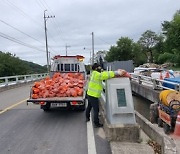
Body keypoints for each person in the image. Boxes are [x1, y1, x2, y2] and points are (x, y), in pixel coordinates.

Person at [85, 63, 126, 127]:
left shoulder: (93, 73)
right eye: (99, 67)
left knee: (89, 107)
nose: (100, 68)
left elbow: (104, 73)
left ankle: (87, 117)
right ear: (96, 68)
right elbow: (105, 75)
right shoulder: (97, 74)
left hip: (89, 93)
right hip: (93, 95)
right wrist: (116, 73)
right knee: (96, 110)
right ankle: (96, 123)